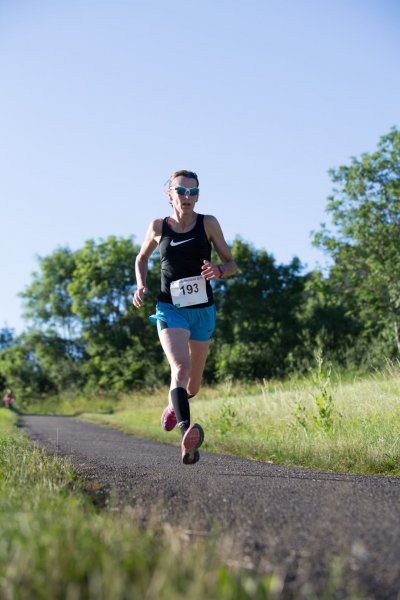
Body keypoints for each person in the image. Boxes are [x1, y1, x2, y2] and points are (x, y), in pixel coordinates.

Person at [133, 169, 237, 465]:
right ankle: (186, 435)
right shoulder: (158, 226)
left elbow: (232, 264)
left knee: (192, 387)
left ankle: (172, 406)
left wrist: (219, 270)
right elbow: (141, 258)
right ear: (170, 195)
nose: (187, 196)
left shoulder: (208, 223)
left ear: (198, 196)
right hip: (170, 308)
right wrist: (141, 284)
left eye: (193, 191)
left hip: (202, 310)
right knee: (180, 367)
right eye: (181, 191)